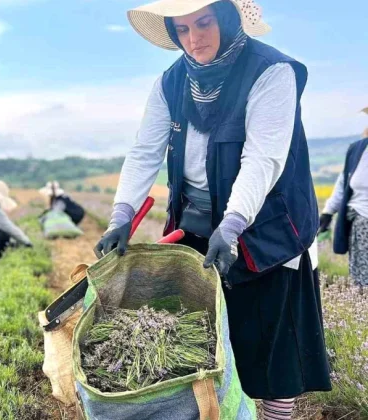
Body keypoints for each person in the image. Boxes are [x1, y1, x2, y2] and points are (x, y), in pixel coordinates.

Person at [95, 0, 330, 416]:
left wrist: (234, 223)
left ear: (226, 18)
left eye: (203, 23)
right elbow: (144, 151)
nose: (194, 38)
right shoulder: (171, 82)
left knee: (272, 359)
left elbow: (263, 158)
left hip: (266, 231)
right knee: (211, 346)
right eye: (182, 29)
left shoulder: (271, 71)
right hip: (201, 230)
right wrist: (121, 215)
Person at [319, 109, 368, 285]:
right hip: (358, 222)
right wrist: (328, 212)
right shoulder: (358, 149)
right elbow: (343, 183)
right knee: (361, 278)